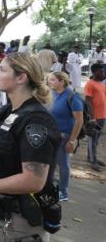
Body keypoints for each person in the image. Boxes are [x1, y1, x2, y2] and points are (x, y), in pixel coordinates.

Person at [0, 52, 60, 242]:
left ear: (21, 77)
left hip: (20, 221)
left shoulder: (36, 120)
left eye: (2, 70)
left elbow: (34, 181)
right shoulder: (6, 111)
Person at [48, 71, 84, 200]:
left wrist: (72, 140)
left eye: (52, 80)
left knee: (63, 163)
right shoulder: (52, 94)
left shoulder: (72, 97)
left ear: (61, 82)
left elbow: (79, 120)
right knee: (50, 162)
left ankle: (63, 192)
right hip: (51, 135)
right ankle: (50, 187)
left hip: (64, 137)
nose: (49, 82)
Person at [84, 63, 106, 171]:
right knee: (93, 138)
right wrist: (92, 118)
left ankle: (91, 157)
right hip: (95, 116)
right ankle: (93, 161)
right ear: (95, 72)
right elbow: (88, 101)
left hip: (103, 116)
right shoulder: (90, 84)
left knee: (96, 139)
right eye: (101, 71)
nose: (103, 73)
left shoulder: (102, 84)